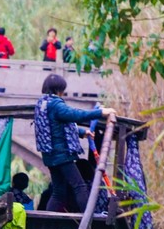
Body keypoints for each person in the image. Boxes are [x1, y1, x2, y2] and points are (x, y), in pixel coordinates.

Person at [34, 74, 116, 214]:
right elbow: (76, 115)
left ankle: (47, 221)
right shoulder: (56, 104)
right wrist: (101, 112)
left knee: (58, 192)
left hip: (50, 155)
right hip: (62, 155)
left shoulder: (42, 104)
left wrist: (82, 132)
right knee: (80, 187)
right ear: (59, 89)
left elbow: (56, 127)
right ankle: (88, 220)